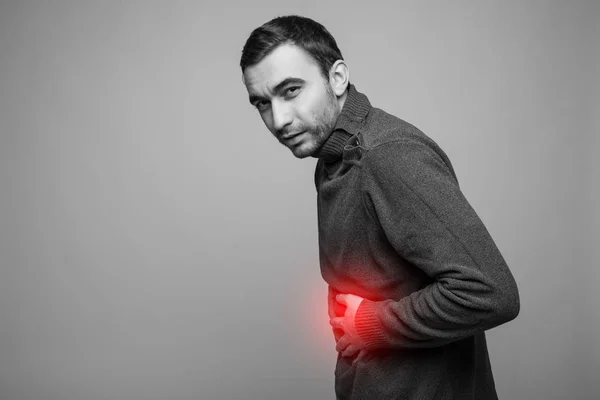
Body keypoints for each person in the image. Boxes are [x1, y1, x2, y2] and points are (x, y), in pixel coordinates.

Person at [240, 15, 520, 400]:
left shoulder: (388, 156)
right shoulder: (330, 156)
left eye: (290, 90)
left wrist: (370, 323)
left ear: (337, 78)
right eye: (262, 103)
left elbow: (492, 292)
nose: (279, 120)